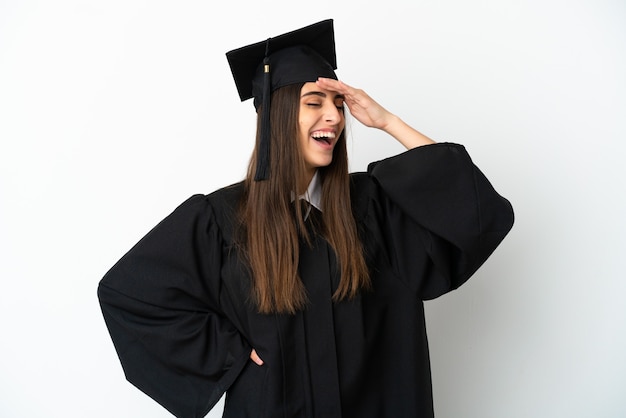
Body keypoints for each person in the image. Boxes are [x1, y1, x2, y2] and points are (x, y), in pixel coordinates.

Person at [98, 19, 514, 418]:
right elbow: (130, 294)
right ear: (276, 119)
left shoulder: (373, 207)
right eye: (314, 103)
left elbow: (474, 212)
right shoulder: (221, 220)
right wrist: (227, 355)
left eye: (338, 104)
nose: (334, 117)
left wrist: (388, 122)